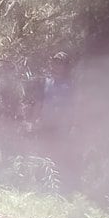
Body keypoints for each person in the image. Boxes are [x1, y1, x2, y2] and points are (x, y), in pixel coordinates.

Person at [34, 51, 77, 187]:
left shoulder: (71, 85)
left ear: (66, 66)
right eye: (55, 62)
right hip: (46, 123)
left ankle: (60, 184)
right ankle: (43, 182)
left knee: (59, 153)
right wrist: (34, 119)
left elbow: (74, 106)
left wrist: (73, 125)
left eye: (60, 63)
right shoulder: (46, 82)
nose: (57, 66)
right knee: (44, 151)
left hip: (62, 126)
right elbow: (39, 102)